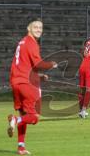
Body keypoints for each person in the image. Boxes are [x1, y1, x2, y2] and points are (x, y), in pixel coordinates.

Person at [8, 19, 58, 155]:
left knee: (24, 115)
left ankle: (21, 147)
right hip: (27, 84)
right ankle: (14, 120)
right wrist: (51, 64)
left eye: (40, 27)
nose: (38, 29)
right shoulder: (31, 43)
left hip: (16, 82)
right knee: (34, 117)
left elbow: (24, 66)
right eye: (35, 27)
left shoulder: (22, 42)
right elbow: (37, 64)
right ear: (28, 28)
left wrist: (39, 76)